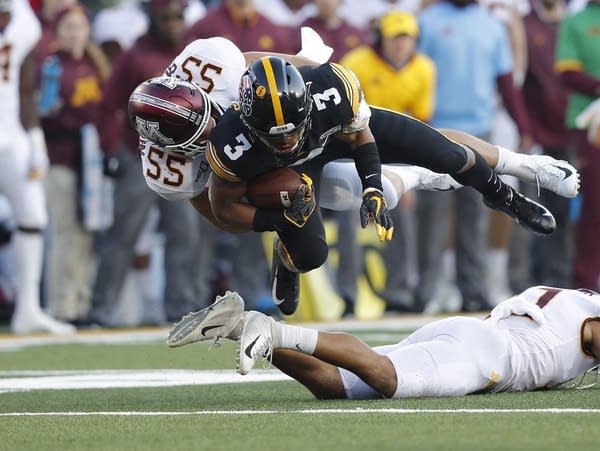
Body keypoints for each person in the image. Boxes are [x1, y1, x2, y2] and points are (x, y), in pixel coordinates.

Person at [128, 40, 578, 314]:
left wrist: (300, 65)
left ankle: (514, 181)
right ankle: (288, 258)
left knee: (436, 147)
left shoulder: (234, 70)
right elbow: (221, 212)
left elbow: (264, 64)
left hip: (317, 127)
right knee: (321, 232)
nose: (215, 124)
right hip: (267, 168)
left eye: (213, 115)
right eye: (200, 135)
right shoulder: (193, 161)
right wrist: (279, 220)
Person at [168, 286, 600, 398]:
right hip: (487, 354)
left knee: (332, 386)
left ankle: (240, 326)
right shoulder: (583, 313)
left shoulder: (579, 307)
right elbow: (575, 321)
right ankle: (276, 331)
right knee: (386, 378)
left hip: (473, 336)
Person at [0, 0, 74, 334]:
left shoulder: (24, 22)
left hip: (11, 133)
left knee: (33, 215)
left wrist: (35, 139)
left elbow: (25, 88)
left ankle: (27, 309)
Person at [39, 3, 111, 324]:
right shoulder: (51, 67)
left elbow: (106, 111)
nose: (74, 33)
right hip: (63, 159)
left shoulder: (96, 65)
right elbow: (46, 114)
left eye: (78, 26)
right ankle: (62, 306)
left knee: (88, 234)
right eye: (67, 27)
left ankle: (82, 301)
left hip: (92, 163)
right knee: (66, 233)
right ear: (57, 32)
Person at [555, 0, 600, 291]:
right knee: (594, 207)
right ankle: (585, 283)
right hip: (592, 123)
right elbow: (567, 70)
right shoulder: (577, 20)